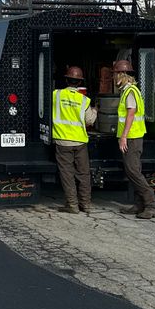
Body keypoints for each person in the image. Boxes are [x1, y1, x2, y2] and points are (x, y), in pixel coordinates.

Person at [113, 58, 155, 219]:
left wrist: (123, 137)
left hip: (132, 137)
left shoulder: (130, 91)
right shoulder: (129, 90)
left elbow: (130, 114)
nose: (114, 77)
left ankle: (151, 205)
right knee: (134, 170)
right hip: (133, 136)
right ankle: (140, 204)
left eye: (116, 74)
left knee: (132, 171)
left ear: (121, 75)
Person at [52, 65, 97, 215]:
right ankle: (86, 204)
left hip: (63, 141)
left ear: (66, 80)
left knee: (67, 174)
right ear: (79, 83)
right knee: (83, 174)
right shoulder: (84, 100)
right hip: (80, 142)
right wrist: (96, 110)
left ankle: (72, 205)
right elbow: (90, 120)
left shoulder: (56, 95)